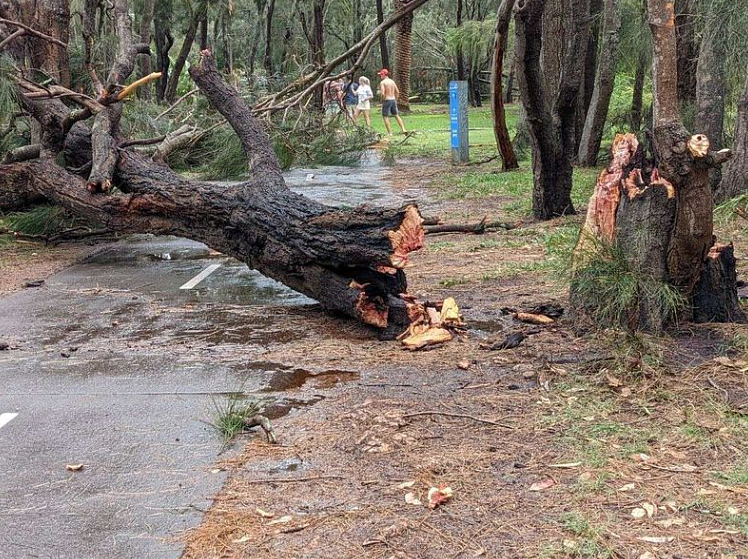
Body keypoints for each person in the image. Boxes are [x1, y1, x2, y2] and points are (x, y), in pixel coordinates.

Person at [377, 69, 407, 134]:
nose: (380, 76)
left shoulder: (383, 82)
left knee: (385, 116)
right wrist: (396, 99)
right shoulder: (392, 81)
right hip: (393, 99)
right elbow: (397, 92)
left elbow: (382, 93)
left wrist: (382, 100)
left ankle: (390, 133)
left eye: (381, 75)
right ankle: (403, 129)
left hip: (386, 100)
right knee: (396, 115)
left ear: (384, 74)